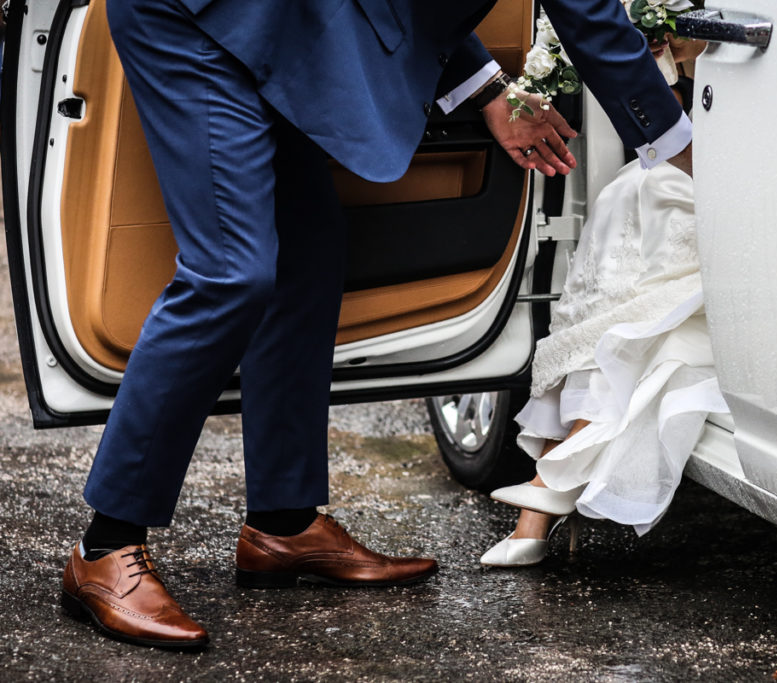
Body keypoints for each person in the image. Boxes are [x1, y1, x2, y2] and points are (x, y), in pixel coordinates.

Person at [60, 0, 693, 649]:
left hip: (280, 21)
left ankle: (283, 522)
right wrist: (681, 151)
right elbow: (586, 13)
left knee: (310, 248)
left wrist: (492, 92)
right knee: (230, 271)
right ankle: (104, 547)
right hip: (197, 16)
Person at [481, 37, 724, 567]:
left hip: (757, 144)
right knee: (631, 192)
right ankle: (551, 487)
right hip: (692, 133)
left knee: (658, 206)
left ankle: (549, 489)